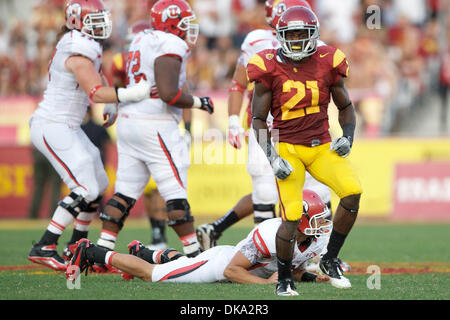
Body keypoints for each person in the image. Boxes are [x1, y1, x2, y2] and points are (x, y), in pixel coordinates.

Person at [196, 0, 332, 249]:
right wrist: (234, 121)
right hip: (266, 128)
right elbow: (238, 83)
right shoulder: (256, 41)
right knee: (266, 192)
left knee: (319, 191)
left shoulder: (320, 49)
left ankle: (322, 254)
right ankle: (266, 255)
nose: (296, 36)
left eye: (302, 30)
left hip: (304, 128)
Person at [27, 0, 151, 271]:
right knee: (85, 187)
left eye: (101, 18)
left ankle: (77, 247)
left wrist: (113, 101)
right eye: (93, 19)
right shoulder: (76, 49)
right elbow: (94, 92)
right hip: (52, 124)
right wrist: (131, 94)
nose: (101, 25)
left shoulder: (86, 45)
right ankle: (45, 245)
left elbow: (99, 80)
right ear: (76, 21)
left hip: (66, 125)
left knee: (98, 181)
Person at [249, 6, 362, 295]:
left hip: (322, 145)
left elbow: (346, 107)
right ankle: (284, 278)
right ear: (280, 36)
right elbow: (258, 119)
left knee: (352, 191)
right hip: (288, 148)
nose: (297, 40)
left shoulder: (328, 60)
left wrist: (347, 136)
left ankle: (329, 258)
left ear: (314, 36)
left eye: (303, 34)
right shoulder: (267, 65)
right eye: (292, 34)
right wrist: (272, 157)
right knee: (290, 215)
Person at [93, 0, 214, 262]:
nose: (188, 29)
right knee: (175, 192)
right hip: (154, 123)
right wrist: (199, 103)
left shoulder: (141, 39)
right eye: (183, 22)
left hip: (129, 120)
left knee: (124, 192)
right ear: (171, 22)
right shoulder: (171, 43)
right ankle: (194, 255)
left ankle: (101, 251)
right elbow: (169, 94)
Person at [67, 189, 331, 290]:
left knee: (180, 265)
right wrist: (266, 284)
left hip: (227, 263)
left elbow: (291, 268)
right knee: (153, 276)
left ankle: (143, 252)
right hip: (220, 265)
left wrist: (308, 277)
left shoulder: (313, 240)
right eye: (316, 218)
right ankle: (90, 251)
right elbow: (232, 270)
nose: (321, 224)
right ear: (298, 218)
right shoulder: (270, 233)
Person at [28, 147, 62, 219]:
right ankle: (54, 215)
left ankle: (33, 214)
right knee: (55, 187)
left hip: (39, 153)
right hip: (54, 154)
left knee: (38, 187)